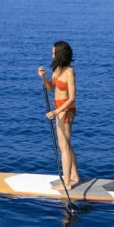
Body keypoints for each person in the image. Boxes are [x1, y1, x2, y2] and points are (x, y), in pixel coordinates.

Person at [38, 40, 79, 188]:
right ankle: (74, 175)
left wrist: (56, 112)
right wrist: (43, 77)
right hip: (58, 109)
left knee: (64, 147)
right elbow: (50, 88)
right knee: (66, 145)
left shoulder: (69, 72)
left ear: (60, 53)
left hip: (66, 110)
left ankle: (67, 183)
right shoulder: (57, 70)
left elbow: (72, 97)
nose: (52, 54)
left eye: (54, 52)